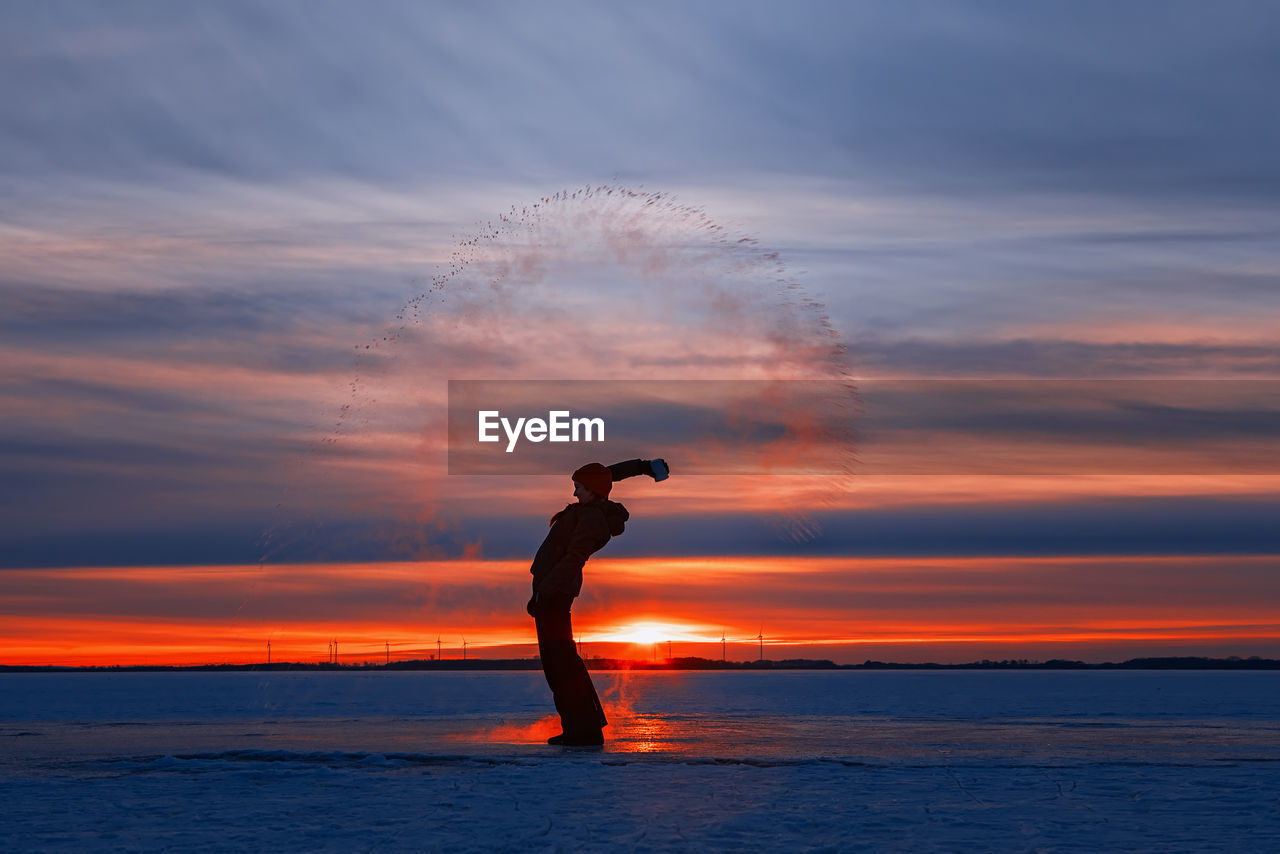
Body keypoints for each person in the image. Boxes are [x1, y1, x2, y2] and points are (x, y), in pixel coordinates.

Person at [527, 458, 669, 746]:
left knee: (561, 663)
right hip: (552, 591)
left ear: (591, 490)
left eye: (578, 487)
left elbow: (573, 559)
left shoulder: (591, 517)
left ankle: (585, 730)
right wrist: (644, 467)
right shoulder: (589, 506)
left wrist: (545, 591)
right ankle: (580, 728)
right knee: (559, 662)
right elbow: (607, 475)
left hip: (556, 593)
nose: (574, 493)